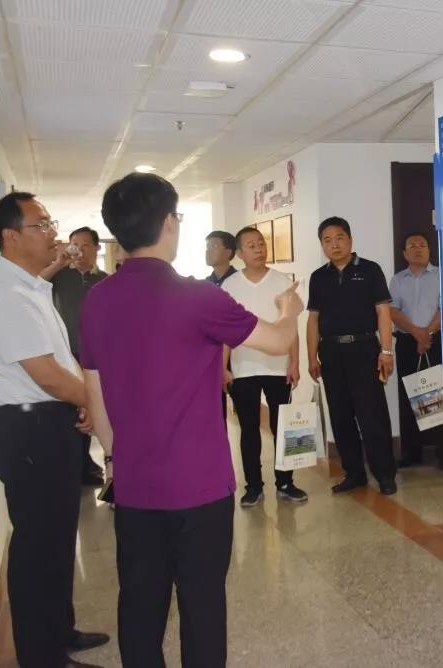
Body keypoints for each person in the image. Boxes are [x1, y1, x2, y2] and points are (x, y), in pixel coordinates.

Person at [79, 173, 303, 667]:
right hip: (199, 486)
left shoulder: (97, 300)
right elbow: (278, 340)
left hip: (135, 486)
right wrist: (289, 309)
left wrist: (116, 462)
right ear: (167, 223)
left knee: (140, 607)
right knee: (202, 607)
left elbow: (95, 395)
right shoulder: (197, 296)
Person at [0, 192, 109, 668]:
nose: (52, 232)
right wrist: (92, 401)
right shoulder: (6, 296)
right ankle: (42, 656)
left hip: (47, 421)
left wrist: (78, 403)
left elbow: (57, 365)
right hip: (29, 429)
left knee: (58, 537)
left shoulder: (28, 286)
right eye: (41, 224)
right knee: (38, 546)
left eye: (50, 222)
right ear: (10, 237)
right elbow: (46, 374)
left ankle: (59, 630)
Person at [307, 217, 397, 496]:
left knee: (372, 415)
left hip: (365, 350)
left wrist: (386, 351)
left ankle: (385, 474)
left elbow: (383, 312)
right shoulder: (318, 277)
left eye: (339, 238)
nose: (334, 245)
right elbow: (313, 320)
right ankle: (354, 473)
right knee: (341, 415)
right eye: (327, 240)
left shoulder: (370, 270)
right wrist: (311, 358)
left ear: (350, 240)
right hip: (331, 353)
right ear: (322, 245)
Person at [222, 226, 308, 507]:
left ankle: (286, 482)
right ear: (239, 253)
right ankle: (253, 486)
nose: (259, 249)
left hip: (278, 366)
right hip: (243, 367)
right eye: (252, 245)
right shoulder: (230, 286)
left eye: (261, 243)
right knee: (248, 429)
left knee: (282, 426)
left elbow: (291, 326)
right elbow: (224, 332)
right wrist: (223, 367)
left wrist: (295, 362)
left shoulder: (282, 280)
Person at [41, 226, 108, 486]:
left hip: (98, 355)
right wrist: (59, 263)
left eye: (85, 245)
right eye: (75, 244)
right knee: (73, 411)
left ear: (97, 247)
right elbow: (35, 283)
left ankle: (96, 463)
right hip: (67, 354)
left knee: (97, 407)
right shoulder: (59, 277)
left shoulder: (105, 280)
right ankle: (77, 464)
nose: (79, 250)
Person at [389, 231, 443, 469]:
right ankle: (412, 453)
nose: (418, 249)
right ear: (405, 253)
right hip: (407, 343)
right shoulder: (398, 280)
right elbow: (392, 311)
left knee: (438, 395)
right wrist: (416, 333)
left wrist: (427, 334)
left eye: (422, 245)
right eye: (412, 246)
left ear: (430, 250)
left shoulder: (442, 274)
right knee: (409, 395)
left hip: (435, 342)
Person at [205, 230, 238, 420]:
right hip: (212, 354)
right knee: (215, 412)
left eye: (214, 246)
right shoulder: (204, 285)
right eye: (207, 247)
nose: (208, 251)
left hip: (238, 354)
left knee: (243, 408)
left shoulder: (240, 281)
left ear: (229, 252)